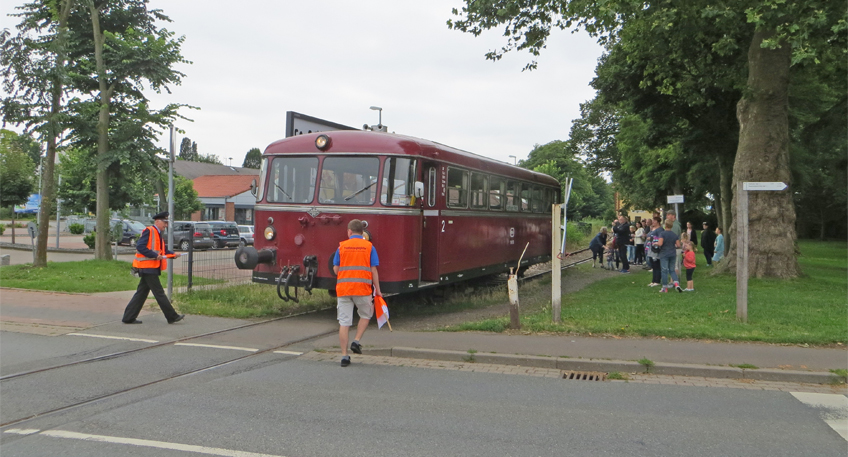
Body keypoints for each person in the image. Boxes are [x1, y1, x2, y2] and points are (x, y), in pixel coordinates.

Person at [333, 219, 382, 367]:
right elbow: (373, 270)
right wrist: (378, 290)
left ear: (349, 232)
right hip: (362, 289)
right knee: (366, 315)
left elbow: (336, 269)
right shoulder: (369, 247)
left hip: (344, 289)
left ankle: (344, 356)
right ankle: (356, 341)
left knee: (344, 322)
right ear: (362, 233)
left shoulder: (341, 247)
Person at [122, 212, 185, 324]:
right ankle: (172, 316)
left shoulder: (157, 233)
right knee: (159, 292)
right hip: (147, 267)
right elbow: (140, 247)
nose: (166, 225)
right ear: (157, 221)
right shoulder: (149, 231)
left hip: (151, 267)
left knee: (141, 293)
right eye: (164, 222)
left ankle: (128, 317)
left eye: (166, 223)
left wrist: (173, 254)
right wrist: (154, 255)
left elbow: (162, 251)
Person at [656, 220, 682, 293]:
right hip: (673, 253)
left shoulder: (662, 234)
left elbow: (660, 243)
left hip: (664, 253)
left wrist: (656, 243)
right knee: (672, 269)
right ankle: (676, 283)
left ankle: (664, 287)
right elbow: (678, 245)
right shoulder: (674, 234)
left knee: (664, 270)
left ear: (665, 225)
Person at [646, 217, 663, 287]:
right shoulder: (653, 228)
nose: (653, 222)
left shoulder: (660, 229)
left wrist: (651, 238)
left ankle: (657, 280)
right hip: (651, 247)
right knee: (653, 265)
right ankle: (653, 280)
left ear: (658, 222)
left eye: (654, 221)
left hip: (656, 248)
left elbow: (660, 238)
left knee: (656, 265)